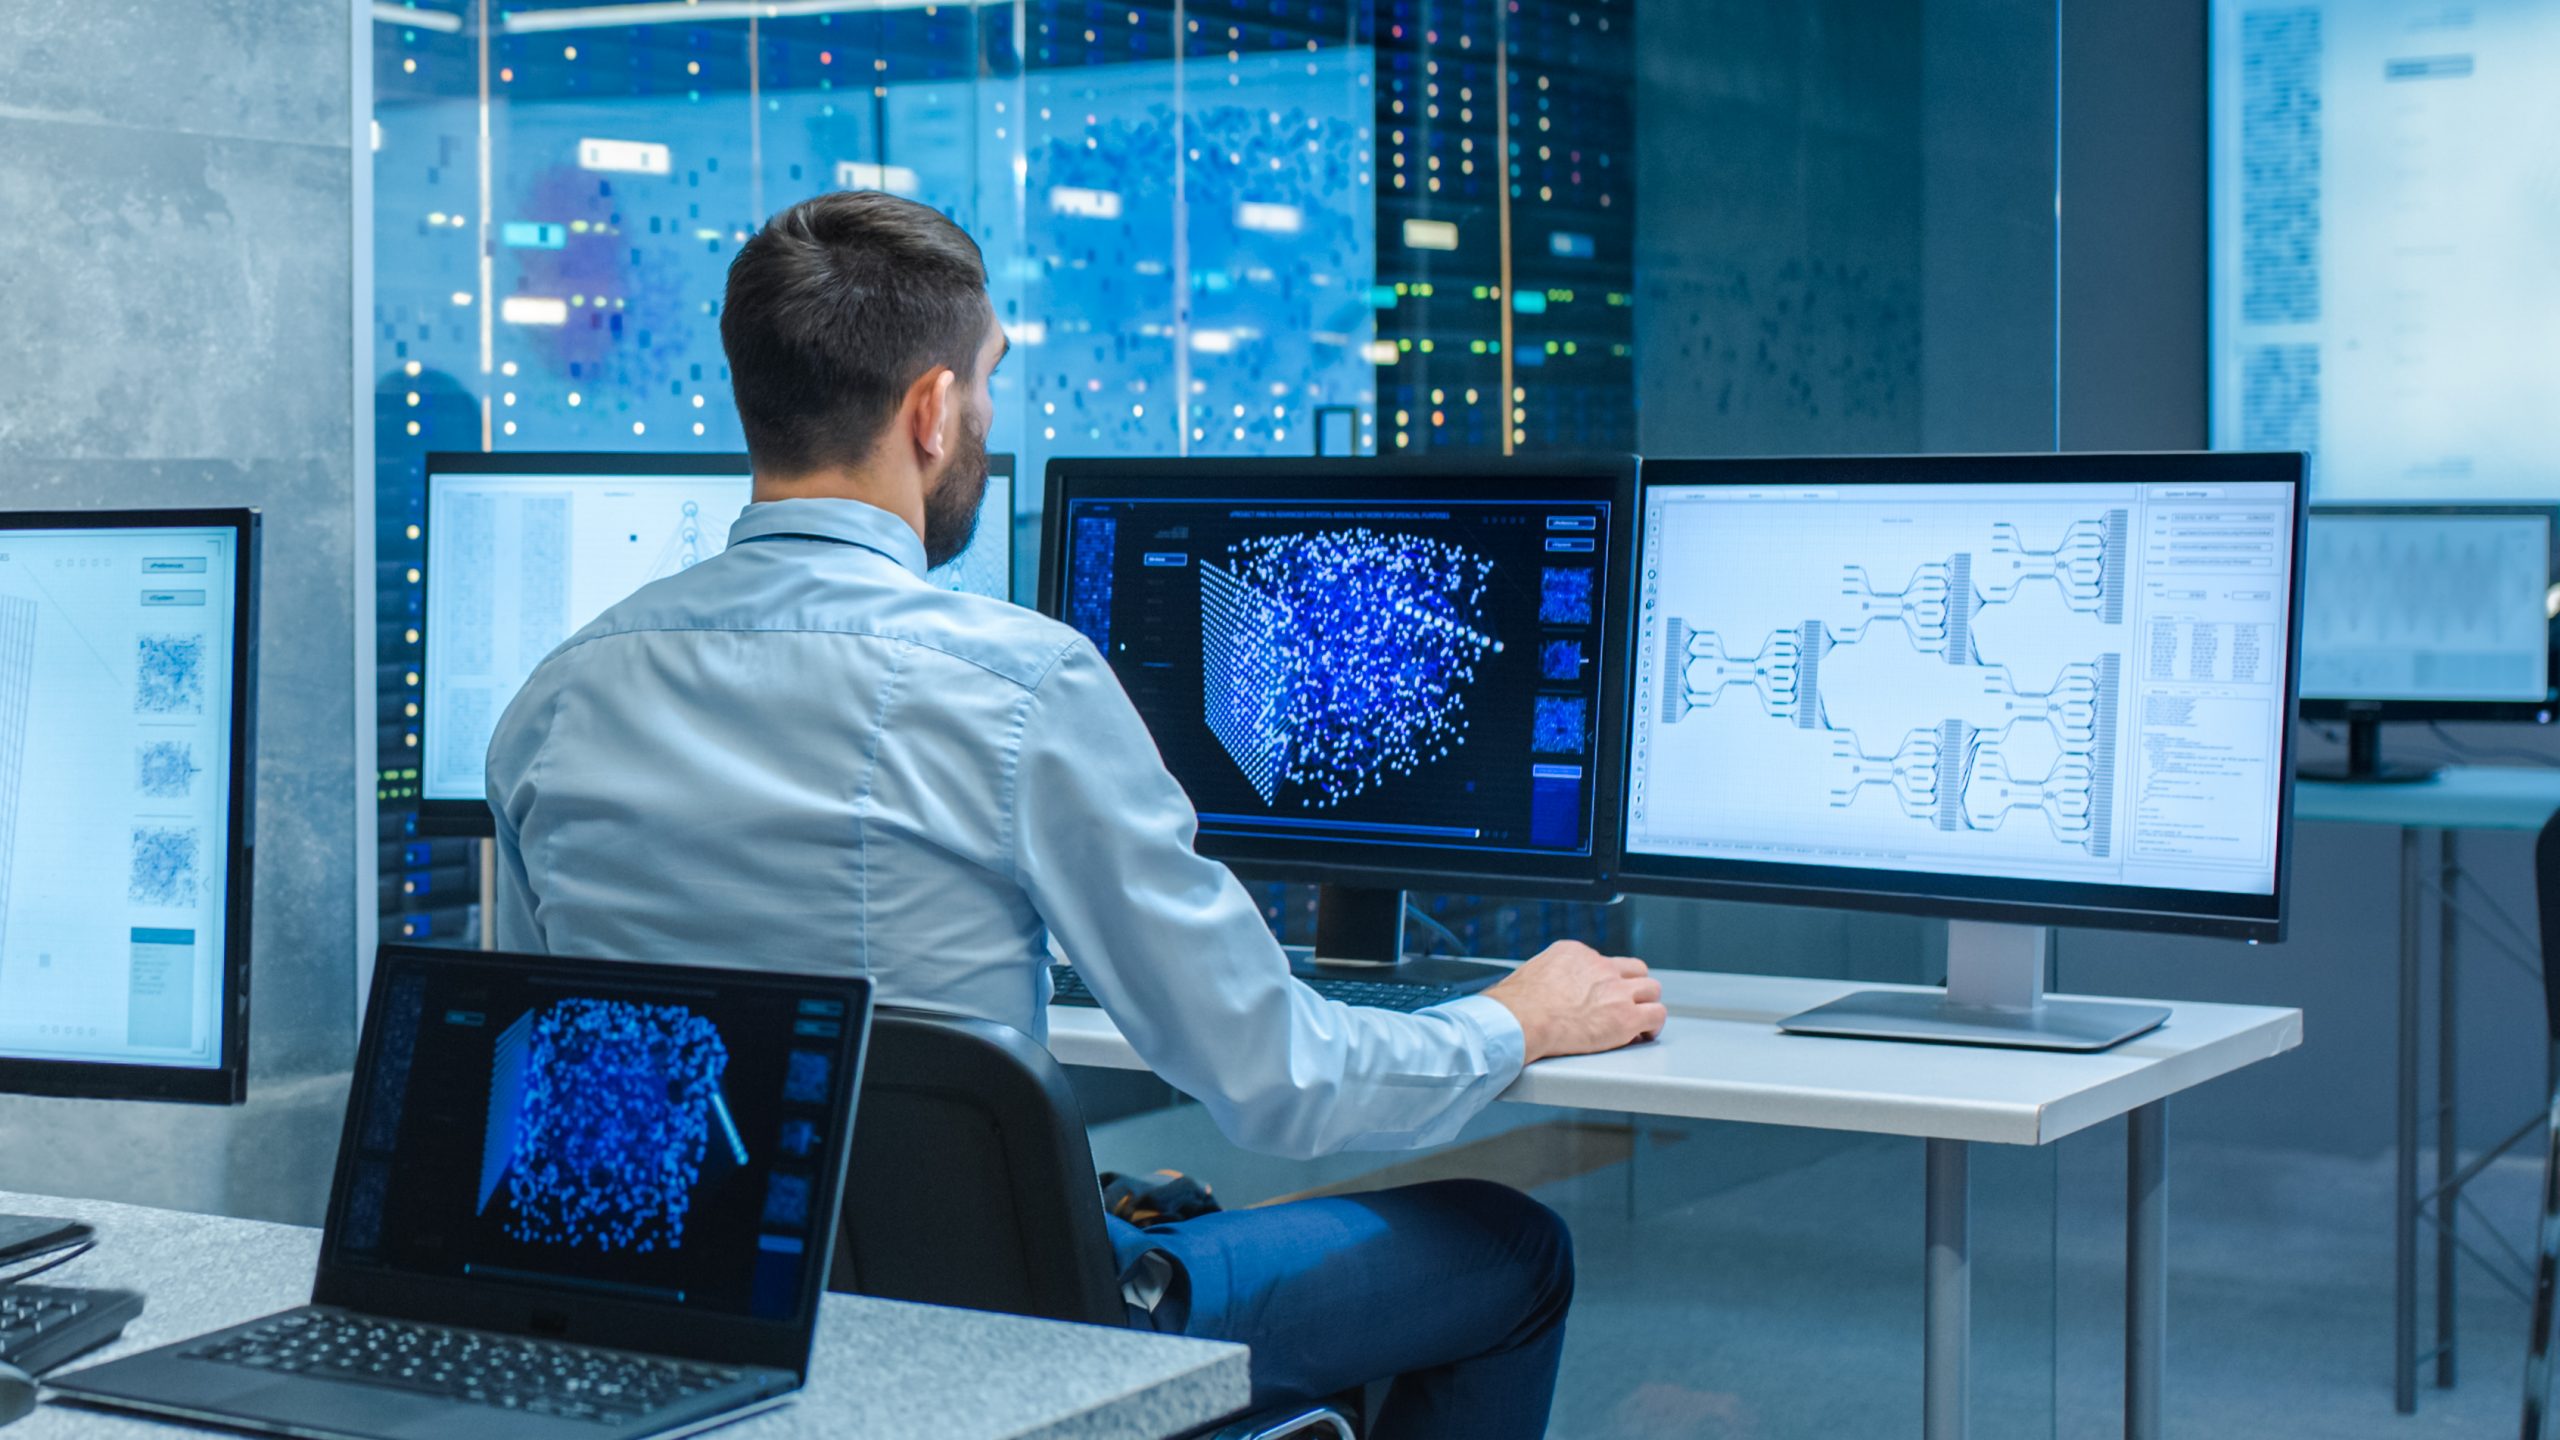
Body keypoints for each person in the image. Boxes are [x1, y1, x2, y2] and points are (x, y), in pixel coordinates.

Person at [486, 190, 1668, 1439]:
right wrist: (1511, 1019)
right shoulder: (1016, 687)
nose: (987, 420)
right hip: (1001, 1347)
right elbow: (1282, 1084)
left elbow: (550, 1069)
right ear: (932, 410)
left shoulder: (556, 697)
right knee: (1505, 1248)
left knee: (1168, 1199)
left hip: (703, 1332)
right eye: (988, 383)